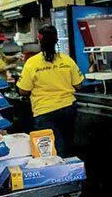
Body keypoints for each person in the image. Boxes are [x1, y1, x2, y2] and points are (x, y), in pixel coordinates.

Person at [16, 25, 83, 156]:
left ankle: (60, 174)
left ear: (39, 40)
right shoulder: (67, 60)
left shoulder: (32, 63)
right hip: (68, 108)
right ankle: (72, 173)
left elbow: (23, 90)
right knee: (67, 145)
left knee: (51, 152)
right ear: (57, 39)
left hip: (44, 111)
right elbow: (78, 85)